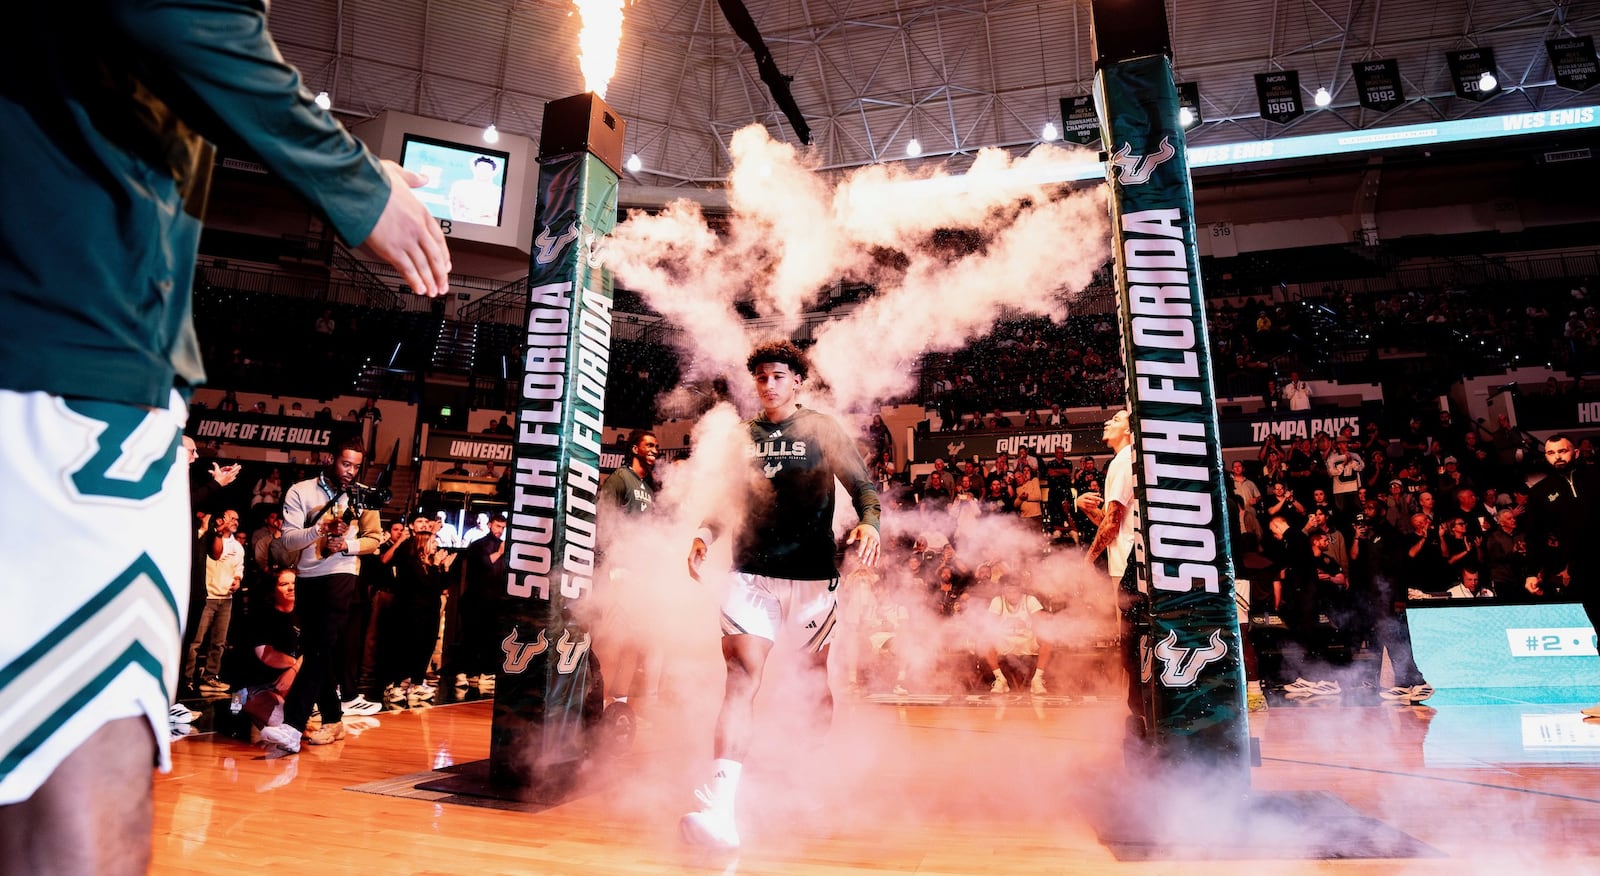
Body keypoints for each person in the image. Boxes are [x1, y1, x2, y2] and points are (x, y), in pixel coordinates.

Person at [0, 5, 449, 867]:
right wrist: (351, 180)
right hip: (70, 370)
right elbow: (187, 17)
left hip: (52, 348)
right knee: (86, 797)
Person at [680, 340, 881, 850]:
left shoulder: (820, 429)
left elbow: (863, 489)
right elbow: (727, 502)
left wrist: (870, 525)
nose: (768, 385)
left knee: (815, 679)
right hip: (750, 575)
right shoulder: (742, 438)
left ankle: (806, 775)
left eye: (777, 376)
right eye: (761, 378)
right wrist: (705, 534)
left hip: (814, 578)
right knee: (740, 678)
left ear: (797, 381)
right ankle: (720, 808)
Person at [265, 440, 386, 752]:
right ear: (331, 459)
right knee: (318, 649)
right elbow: (290, 541)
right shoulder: (300, 491)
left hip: (343, 573)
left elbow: (374, 539)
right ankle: (333, 720)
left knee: (320, 646)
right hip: (308, 574)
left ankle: (292, 727)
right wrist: (320, 530)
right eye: (346, 464)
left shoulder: (363, 495)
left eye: (357, 466)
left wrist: (347, 545)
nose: (351, 471)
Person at [1520, 434, 1600, 717]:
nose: (1558, 456)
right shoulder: (1541, 492)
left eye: (1563, 451)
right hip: (1585, 570)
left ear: (1575, 452)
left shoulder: (1596, 475)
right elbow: (1535, 536)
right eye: (1551, 452)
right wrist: (1532, 572)